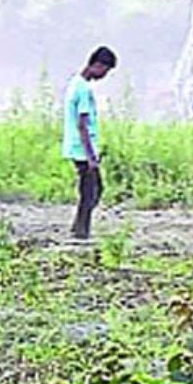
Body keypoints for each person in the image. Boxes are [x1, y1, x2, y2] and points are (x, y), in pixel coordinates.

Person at [62, 46, 117, 240]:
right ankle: (81, 230)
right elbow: (82, 125)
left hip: (79, 148)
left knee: (93, 189)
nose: (104, 75)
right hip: (82, 150)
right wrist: (91, 156)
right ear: (97, 65)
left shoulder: (75, 84)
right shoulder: (83, 89)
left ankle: (79, 226)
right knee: (90, 191)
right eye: (105, 70)